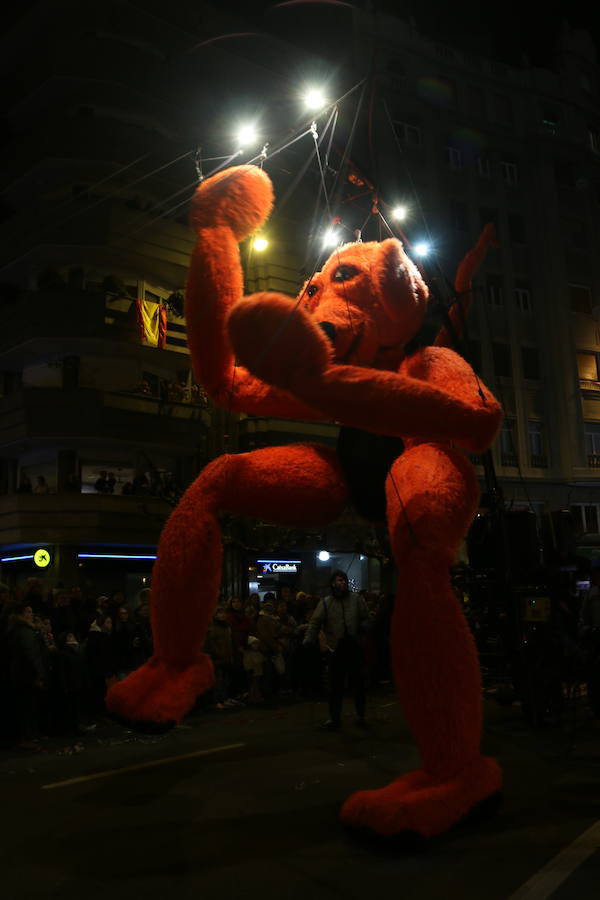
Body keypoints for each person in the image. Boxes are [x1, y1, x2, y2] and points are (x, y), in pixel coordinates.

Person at [304, 570, 370, 729]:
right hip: (336, 648)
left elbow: (366, 617)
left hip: (353, 645)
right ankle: (334, 719)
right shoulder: (326, 602)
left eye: (344, 580)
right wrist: (308, 640)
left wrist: (364, 628)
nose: (343, 583)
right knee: (335, 686)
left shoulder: (356, 599)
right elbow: (315, 623)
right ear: (333, 583)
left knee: (358, 684)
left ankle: (360, 716)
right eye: (339, 580)